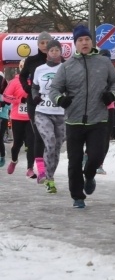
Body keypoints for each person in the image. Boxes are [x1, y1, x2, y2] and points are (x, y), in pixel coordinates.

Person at [49, 25, 115, 209]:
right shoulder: (67, 66)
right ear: (75, 44)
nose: (84, 43)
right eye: (80, 40)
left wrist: (111, 95)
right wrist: (60, 99)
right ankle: (77, 196)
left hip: (98, 118)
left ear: (92, 41)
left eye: (87, 39)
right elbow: (54, 89)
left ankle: (89, 175)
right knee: (74, 161)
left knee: (96, 156)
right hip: (74, 120)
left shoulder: (104, 63)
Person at [31, 39, 67, 193]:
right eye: (51, 50)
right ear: (47, 52)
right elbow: (34, 87)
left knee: (57, 147)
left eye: (57, 50)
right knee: (50, 142)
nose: (54, 53)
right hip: (42, 112)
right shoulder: (40, 69)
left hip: (61, 113)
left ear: (61, 52)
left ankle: (50, 177)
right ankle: (47, 176)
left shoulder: (66, 68)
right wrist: (35, 97)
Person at [19, 32, 51, 182]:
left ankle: (48, 164)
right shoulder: (31, 60)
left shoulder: (57, 59)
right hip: (34, 102)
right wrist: (27, 88)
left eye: (47, 42)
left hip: (52, 103)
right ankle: (41, 170)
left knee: (51, 136)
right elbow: (22, 76)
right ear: (38, 45)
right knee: (38, 134)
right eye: (42, 43)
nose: (45, 45)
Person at [3, 60, 34, 177]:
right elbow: (6, 97)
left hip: (31, 117)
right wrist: (19, 100)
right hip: (17, 118)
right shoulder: (15, 82)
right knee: (17, 143)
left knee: (31, 143)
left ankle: (30, 168)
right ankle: (14, 160)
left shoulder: (36, 82)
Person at [96, 49, 115, 173]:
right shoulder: (93, 72)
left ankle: (100, 163)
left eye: (107, 59)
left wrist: (113, 97)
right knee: (93, 135)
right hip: (94, 108)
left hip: (109, 108)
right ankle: (88, 156)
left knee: (105, 137)